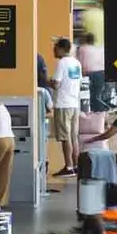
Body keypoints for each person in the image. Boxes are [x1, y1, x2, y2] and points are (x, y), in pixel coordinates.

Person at [51, 38, 83, 177]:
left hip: (63, 104)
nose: (53, 50)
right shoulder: (76, 63)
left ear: (61, 48)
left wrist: (49, 81)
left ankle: (68, 166)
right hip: (75, 104)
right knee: (73, 136)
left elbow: (57, 84)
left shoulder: (62, 63)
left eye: (55, 48)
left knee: (65, 137)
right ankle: (76, 165)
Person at [76, 32, 107, 112]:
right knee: (97, 95)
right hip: (101, 73)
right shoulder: (100, 49)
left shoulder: (82, 48)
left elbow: (79, 62)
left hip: (88, 74)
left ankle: (90, 113)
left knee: (87, 96)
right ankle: (99, 113)